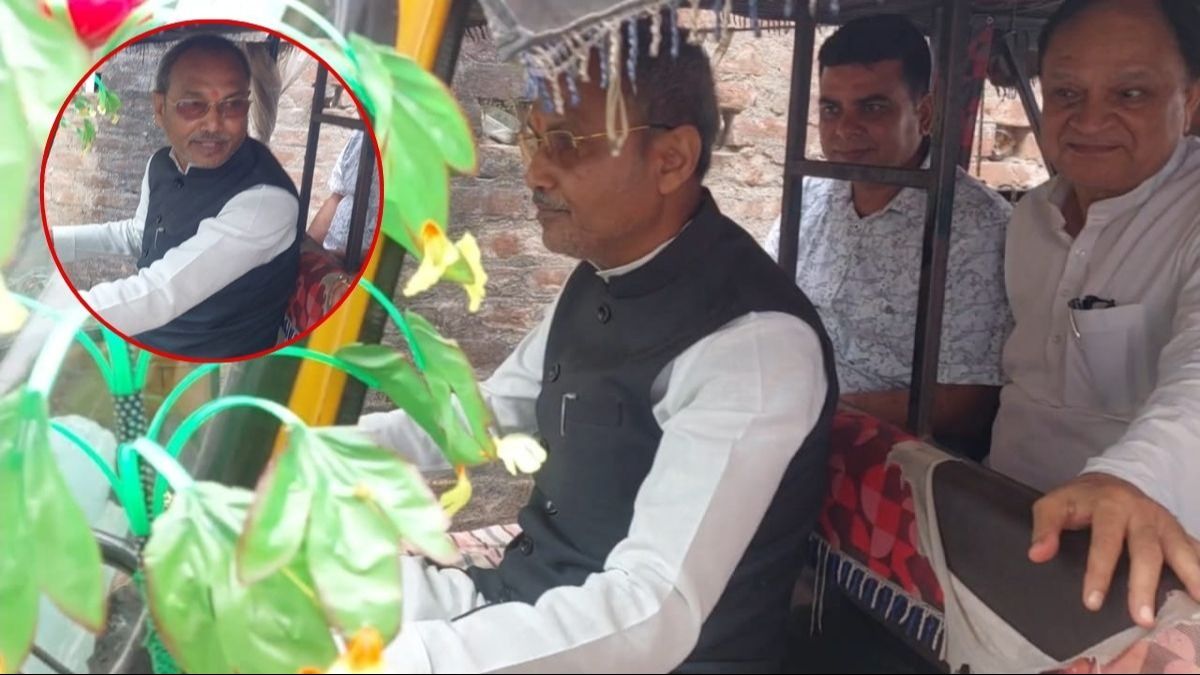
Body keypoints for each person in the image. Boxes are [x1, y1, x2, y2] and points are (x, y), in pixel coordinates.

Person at [359, 16, 837, 673]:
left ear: (671, 159)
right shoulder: (597, 280)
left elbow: (650, 613)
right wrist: (329, 451)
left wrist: (413, 660)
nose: (534, 171)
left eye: (566, 142)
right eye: (530, 133)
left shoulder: (753, 346)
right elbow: (482, 413)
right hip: (523, 607)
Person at [988, 0, 1200, 628]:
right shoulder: (1030, 217)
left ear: (1189, 102)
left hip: (1143, 553)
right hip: (1009, 523)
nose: (1091, 119)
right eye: (1066, 92)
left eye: (1130, 92)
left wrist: (1128, 482)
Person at [763, 15, 1012, 445]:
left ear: (926, 113)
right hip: (785, 427)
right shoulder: (812, 196)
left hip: (888, 460)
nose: (844, 129)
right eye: (830, 108)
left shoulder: (977, 226)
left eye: (873, 107)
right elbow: (757, 306)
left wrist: (813, 408)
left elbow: (966, 402)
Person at [51, 34, 301, 360]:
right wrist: (52, 241)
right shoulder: (162, 163)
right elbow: (139, 234)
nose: (214, 124)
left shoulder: (265, 201)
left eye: (233, 104)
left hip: (205, 374)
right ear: (160, 107)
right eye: (193, 105)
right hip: (147, 346)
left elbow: (161, 293)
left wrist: (48, 317)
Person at [306, 129, 380, 257]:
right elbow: (337, 196)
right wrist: (308, 251)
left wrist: (337, 257)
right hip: (335, 258)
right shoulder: (360, 135)